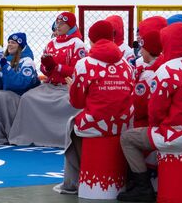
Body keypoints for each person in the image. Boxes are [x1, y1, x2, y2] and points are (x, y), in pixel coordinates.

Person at [118, 23, 182, 202]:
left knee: (127, 137)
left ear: (167, 41)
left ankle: (142, 187)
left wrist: (156, 127)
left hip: (174, 137)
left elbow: (155, 112)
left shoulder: (166, 70)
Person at [54, 20, 134, 195]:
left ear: (91, 40)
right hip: (124, 123)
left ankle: (72, 183)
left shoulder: (85, 63)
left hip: (96, 124)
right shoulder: (127, 64)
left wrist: (72, 88)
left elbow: (77, 103)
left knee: (72, 125)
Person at [8, 12, 85, 148]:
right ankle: (29, 136)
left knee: (67, 103)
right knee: (27, 98)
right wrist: (48, 67)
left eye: (63, 23)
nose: (58, 26)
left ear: (71, 25)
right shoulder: (51, 43)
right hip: (50, 85)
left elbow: (77, 70)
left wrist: (57, 67)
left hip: (66, 86)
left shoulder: (78, 44)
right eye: (57, 23)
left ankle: (64, 138)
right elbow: (43, 68)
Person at [0, 33, 39, 144]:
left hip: (22, 97)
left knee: (0, 96)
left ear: (21, 46)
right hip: (8, 95)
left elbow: (20, 84)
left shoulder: (27, 61)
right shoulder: (5, 60)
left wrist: (6, 67)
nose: (10, 45)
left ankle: (1, 136)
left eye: (13, 43)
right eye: (9, 42)